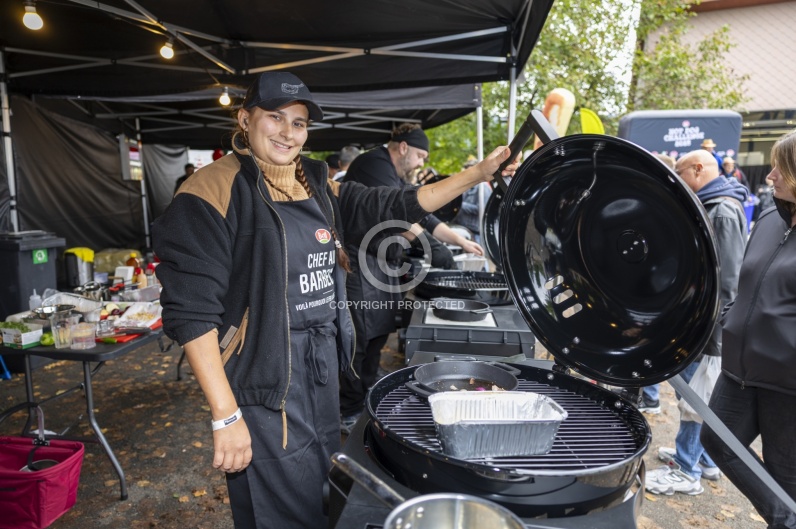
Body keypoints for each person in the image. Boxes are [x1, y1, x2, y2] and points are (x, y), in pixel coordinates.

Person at [151, 71, 519, 529]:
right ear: (245, 119)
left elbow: (396, 204)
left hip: (320, 366)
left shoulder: (316, 183)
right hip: (264, 377)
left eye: (299, 123)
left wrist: (478, 174)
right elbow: (192, 312)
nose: (288, 133)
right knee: (278, 510)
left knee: (321, 492)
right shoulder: (211, 190)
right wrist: (225, 416)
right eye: (275, 117)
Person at [339, 123, 487, 433]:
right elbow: (399, 217)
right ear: (403, 147)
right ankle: (347, 409)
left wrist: (458, 242)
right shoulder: (373, 164)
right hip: (357, 261)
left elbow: (424, 214)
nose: (421, 163)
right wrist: (434, 248)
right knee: (359, 338)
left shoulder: (396, 174)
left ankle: (367, 387)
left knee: (380, 330)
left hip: (381, 262)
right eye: (420, 156)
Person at [701, 130, 796, 528]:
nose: (770, 176)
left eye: (780, 168)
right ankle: (785, 517)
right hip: (739, 366)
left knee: (784, 474)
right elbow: (747, 279)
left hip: (786, 382)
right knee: (715, 438)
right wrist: (732, 317)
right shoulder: (771, 215)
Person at [645, 149, 748, 496]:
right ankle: (703, 460)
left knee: (696, 398)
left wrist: (710, 329)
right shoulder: (714, 205)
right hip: (701, 321)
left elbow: (728, 280)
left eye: (680, 171)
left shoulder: (723, 211)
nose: (677, 178)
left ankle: (686, 469)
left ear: (699, 169)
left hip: (707, 328)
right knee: (694, 394)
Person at [454, 156, 493, 244]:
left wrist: (460, 205)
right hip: (464, 230)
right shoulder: (466, 187)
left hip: (475, 234)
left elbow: (483, 209)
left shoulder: (483, 188)